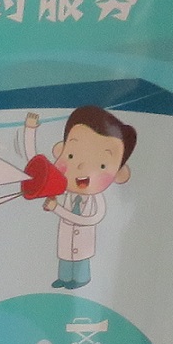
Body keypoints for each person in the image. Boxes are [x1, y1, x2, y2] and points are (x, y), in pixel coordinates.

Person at [18, 106, 135, 291]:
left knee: (80, 262)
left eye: (102, 165)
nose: (81, 167)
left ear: (120, 175)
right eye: (71, 156)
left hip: (84, 245)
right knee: (65, 259)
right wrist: (30, 130)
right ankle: (64, 278)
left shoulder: (97, 202)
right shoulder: (63, 189)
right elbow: (36, 166)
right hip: (65, 240)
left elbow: (90, 219)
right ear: (60, 150)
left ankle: (80, 280)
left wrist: (57, 208)